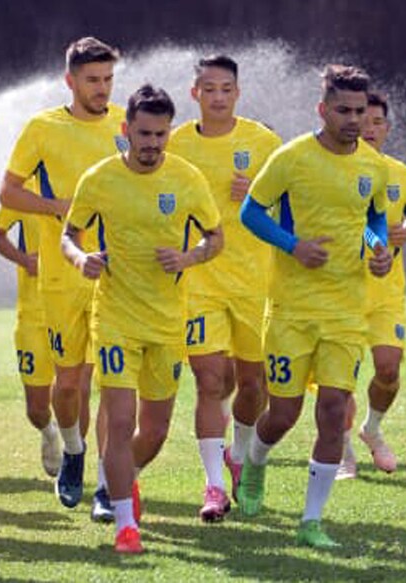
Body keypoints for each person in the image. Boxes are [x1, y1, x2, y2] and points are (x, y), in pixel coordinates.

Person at [62, 84, 223, 553]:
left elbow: (216, 238)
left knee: (153, 430)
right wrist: (80, 259)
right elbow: (68, 235)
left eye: (160, 134)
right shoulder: (99, 179)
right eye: (144, 133)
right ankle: (124, 525)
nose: (152, 143)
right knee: (119, 418)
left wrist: (189, 258)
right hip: (114, 316)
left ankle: (120, 479)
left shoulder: (187, 179)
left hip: (168, 321)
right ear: (126, 129)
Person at [236, 64, 392, 548]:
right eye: (342, 110)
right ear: (322, 110)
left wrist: (378, 248)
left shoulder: (374, 166)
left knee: (332, 409)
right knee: (283, 412)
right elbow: (250, 212)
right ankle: (254, 463)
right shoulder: (292, 158)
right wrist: (292, 245)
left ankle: (311, 520)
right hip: (291, 310)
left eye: (359, 111)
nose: (352, 119)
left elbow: (374, 221)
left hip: (346, 310)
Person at [0, 37, 125, 517]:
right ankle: (73, 449)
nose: (102, 88)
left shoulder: (125, 125)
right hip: (59, 277)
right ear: (70, 80)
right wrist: (55, 207)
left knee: (110, 385)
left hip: (114, 279)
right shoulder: (42, 128)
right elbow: (8, 193)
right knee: (68, 387)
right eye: (92, 80)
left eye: (108, 79)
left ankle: (106, 489)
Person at [166, 54, 281, 520]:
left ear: (237, 93)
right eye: (208, 89)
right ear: (194, 94)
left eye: (226, 89)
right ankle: (214, 486)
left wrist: (256, 190)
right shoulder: (175, 145)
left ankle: (240, 454)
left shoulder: (263, 141)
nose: (217, 97)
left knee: (254, 384)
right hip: (199, 281)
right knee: (210, 381)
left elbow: (292, 204)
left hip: (255, 282)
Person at [335, 91, 406, 479]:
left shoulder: (403, 175)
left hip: (387, 293)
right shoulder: (334, 170)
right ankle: (342, 452)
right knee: (339, 380)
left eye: (377, 122)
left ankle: (371, 429)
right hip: (341, 291)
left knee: (388, 369)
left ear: (387, 128)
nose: (368, 128)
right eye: (362, 120)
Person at [0, 187, 61, 478]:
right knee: (36, 409)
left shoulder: (83, 180)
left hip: (73, 308)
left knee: (72, 389)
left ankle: (73, 460)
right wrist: (24, 260)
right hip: (32, 313)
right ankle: (50, 432)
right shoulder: (24, 191)